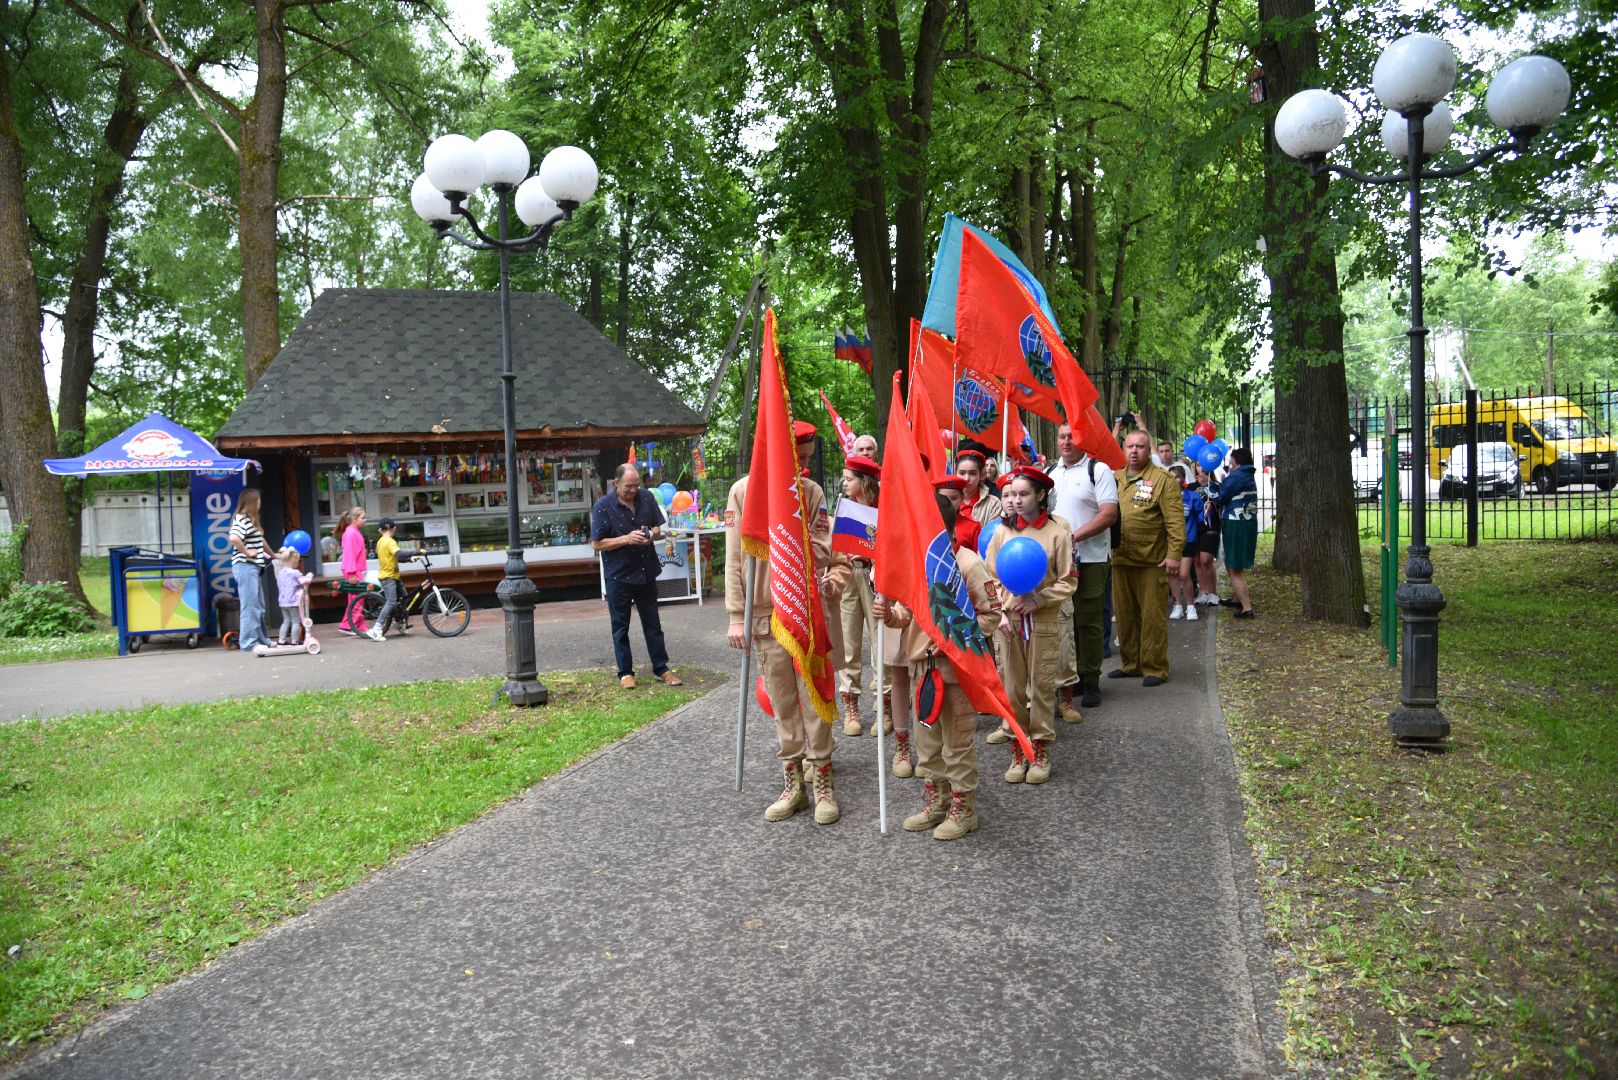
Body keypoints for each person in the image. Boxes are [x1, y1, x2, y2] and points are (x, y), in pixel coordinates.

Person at [726, 420, 850, 824]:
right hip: (762, 613)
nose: (802, 464)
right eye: (796, 456)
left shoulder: (810, 493)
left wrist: (785, 523)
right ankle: (794, 782)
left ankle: (823, 781)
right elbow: (733, 558)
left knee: (814, 696)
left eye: (807, 458)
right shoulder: (743, 491)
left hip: (803, 608)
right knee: (782, 700)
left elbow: (820, 547)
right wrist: (734, 615)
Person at [874, 491, 1002, 840]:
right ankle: (937, 799)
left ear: (946, 531)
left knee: (957, 741)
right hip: (921, 668)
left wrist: (952, 639)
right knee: (927, 741)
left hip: (956, 671)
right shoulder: (921, 562)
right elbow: (911, 614)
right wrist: (891, 614)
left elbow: (991, 614)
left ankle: (964, 808)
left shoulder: (967, 563)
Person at [985, 465, 1076, 785]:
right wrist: (1000, 612)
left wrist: (1040, 599)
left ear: (1040, 495)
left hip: (1043, 620)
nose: (1018, 500)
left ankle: (1039, 749)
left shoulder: (1057, 532)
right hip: (1009, 623)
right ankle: (1017, 748)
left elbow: (1069, 580)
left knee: (1040, 686)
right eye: (1014, 494)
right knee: (1012, 687)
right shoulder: (1001, 532)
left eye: (1025, 494)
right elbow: (990, 579)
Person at [1046, 421, 1119, 712]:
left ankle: (1091, 680)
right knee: (1063, 621)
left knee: (1088, 620)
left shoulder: (1098, 470)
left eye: (1072, 437)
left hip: (1090, 559)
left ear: (1082, 440)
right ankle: (1070, 677)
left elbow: (1109, 514)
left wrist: (1072, 537)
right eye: (1062, 436)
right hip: (1057, 563)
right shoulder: (1050, 473)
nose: (1066, 442)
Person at [591, 463, 683, 688]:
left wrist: (651, 534)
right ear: (616, 483)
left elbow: (658, 527)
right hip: (619, 575)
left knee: (653, 623)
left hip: (646, 571)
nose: (633, 490)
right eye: (628, 487)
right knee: (620, 626)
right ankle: (625, 673)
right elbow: (597, 543)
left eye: (636, 486)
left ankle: (661, 668)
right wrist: (625, 539)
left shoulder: (647, 498)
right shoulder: (603, 506)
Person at [1111, 430, 1184, 687]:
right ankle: (1131, 663)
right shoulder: (1115, 477)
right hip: (1120, 559)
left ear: (1148, 448)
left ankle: (1154, 667)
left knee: (1152, 616)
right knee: (1125, 615)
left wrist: (1174, 555)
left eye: (1140, 446)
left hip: (1152, 561)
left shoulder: (1163, 479)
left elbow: (1175, 522)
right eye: (1129, 446)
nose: (1134, 451)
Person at [835, 454, 882, 736]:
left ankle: (884, 707)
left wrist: (871, 554)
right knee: (849, 645)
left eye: (849, 478)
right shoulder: (845, 507)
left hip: (877, 577)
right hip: (849, 577)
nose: (845, 482)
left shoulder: (883, 508)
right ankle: (851, 705)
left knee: (880, 644)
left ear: (864, 481)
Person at [1212, 447, 1259, 619]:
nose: (1229, 463)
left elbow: (1221, 497)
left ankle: (1247, 608)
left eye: (1231, 460)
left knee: (1234, 567)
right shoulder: (1246, 474)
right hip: (1246, 522)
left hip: (1236, 523)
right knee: (1235, 564)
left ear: (1237, 460)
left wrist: (1213, 489)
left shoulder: (1238, 476)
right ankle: (1236, 598)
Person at [228, 489, 273, 651]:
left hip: (253, 567)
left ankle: (262, 638)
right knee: (250, 605)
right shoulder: (242, 519)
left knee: (258, 605)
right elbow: (233, 537)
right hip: (245, 566)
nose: (260, 503)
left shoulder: (250, 520)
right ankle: (248, 643)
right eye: (258, 500)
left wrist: (273, 554)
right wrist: (247, 552)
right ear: (252, 503)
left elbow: (260, 540)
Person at [953, 448, 1001, 555]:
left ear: (981, 475)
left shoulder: (993, 504)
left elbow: (992, 541)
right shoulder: (946, 501)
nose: (966, 478)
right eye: (962, 473)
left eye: (972, 473)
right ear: (955, 473)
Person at [1166, 464, 1199, 622]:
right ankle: (1177, 605)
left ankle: (1190, 606)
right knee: (1171, 573)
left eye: (1177, 477)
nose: (1174, 480)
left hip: (1188, 539)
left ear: (1183, 479)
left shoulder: (1192, 496)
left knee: (1184, 574)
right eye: (1170, 477)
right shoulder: (1163, 497)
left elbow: (1201, 517)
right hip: (1169, 541)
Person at [367, 518, 407, 640]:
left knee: (404, 596)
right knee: (391, 602)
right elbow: (399, 554)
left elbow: (394, 557)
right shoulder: (389, 541)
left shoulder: (380, 541)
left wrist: (410, 558)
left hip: (393, 576)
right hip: (388, 577)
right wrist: (416, 552)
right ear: (392, 528)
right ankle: (376, 629)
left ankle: (399, 622)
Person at [335, 507, 371, 636]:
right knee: (357, 598)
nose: (365, 520)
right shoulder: (351, 533)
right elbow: (349, 555)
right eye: (363, 517)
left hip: (355, 569)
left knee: (357, 598)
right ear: (354, 518)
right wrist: (352, 573)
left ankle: (359, 625)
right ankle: (347, 625)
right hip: (354, 570)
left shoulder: (352, 531)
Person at [1192, 464, 1221, 605]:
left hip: (1210, 527)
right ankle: (1203, 591)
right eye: (1197, 470)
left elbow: (1221, 502)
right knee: (1197, 561)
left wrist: (1212, 502)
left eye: (1203, 471)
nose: (1200, 473)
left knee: (1206, 560)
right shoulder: (1190, 487)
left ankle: (1213, 593)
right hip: (1194, 528)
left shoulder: (1216, 486)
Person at [273, 546, 313, 646]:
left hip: (282, 601)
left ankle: (281, 640)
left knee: (286, 621)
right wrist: (309, 575)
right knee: (296, 621)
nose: (298, 563)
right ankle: (295, 641)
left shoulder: (281, 572)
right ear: (293, 561)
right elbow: (303, 581)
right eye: (297, 561)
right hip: (293, 601)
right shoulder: (295, 573)